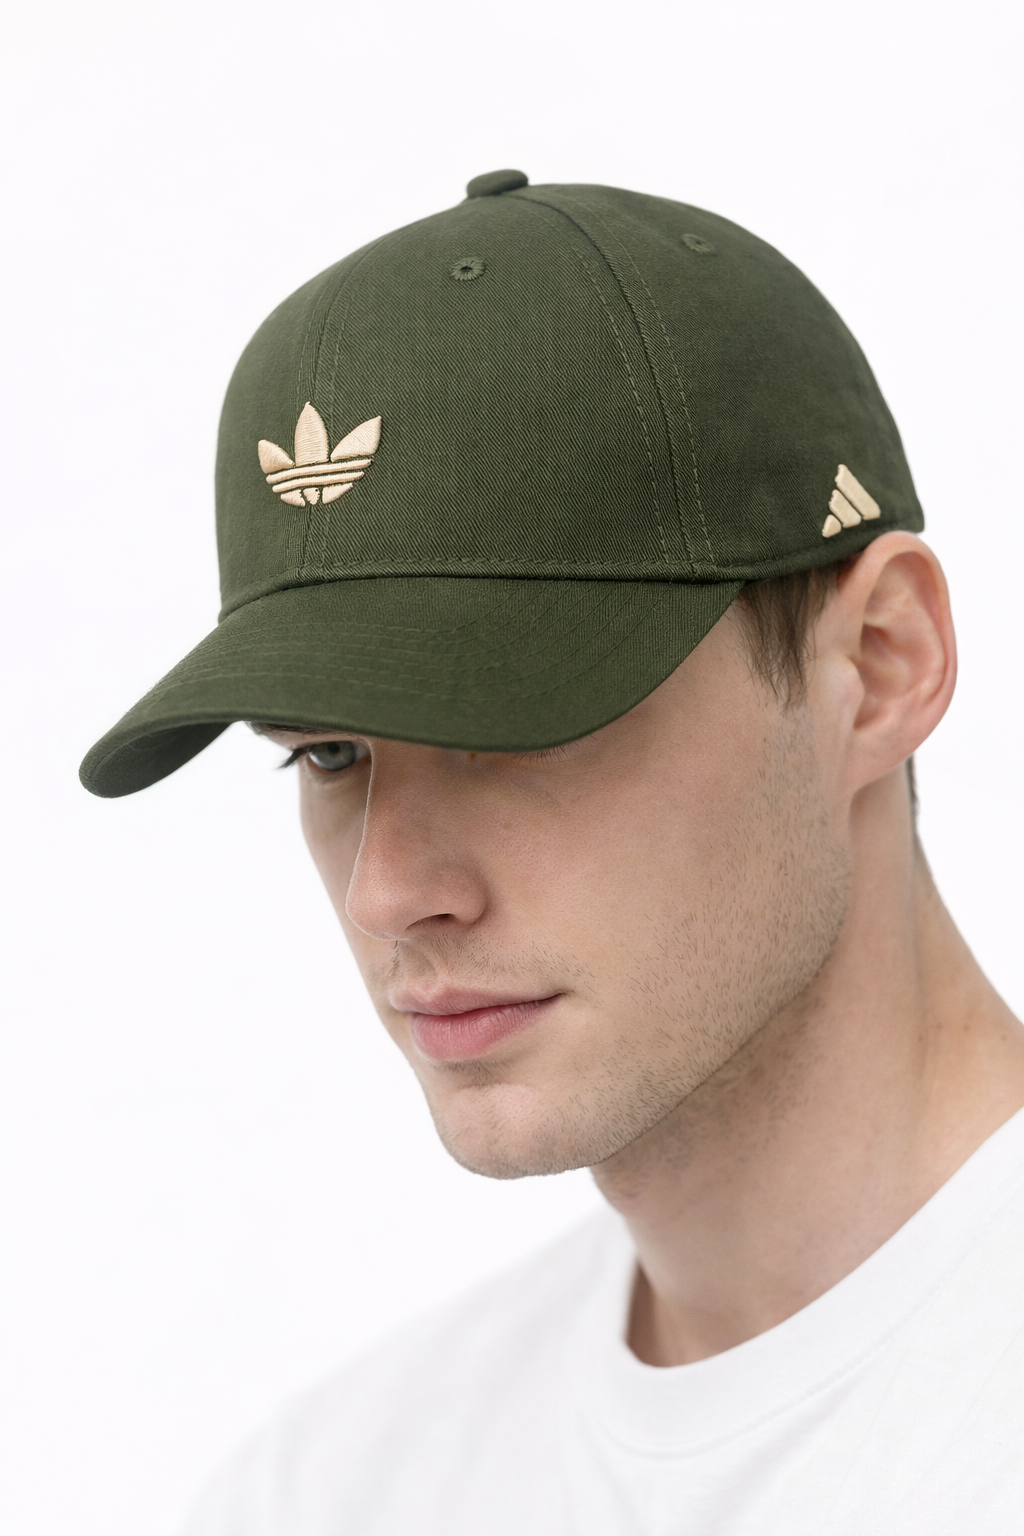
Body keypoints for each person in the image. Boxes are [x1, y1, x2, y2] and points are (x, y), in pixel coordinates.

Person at [81, 171, 1024, 1534]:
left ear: (879, 667)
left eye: (510, 725)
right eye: (330, 754)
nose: (389, 893)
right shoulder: (328, 1492)